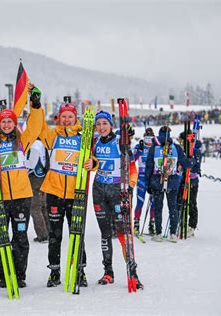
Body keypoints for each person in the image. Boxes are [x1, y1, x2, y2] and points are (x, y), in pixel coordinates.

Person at [0, 86, 43, 289]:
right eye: (3, 121)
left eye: (10, 121)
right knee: (0, 237)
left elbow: (35, 125)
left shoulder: (23, 140)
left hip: (22, 197)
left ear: (14, 124)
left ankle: (19, 274)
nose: (6, 124)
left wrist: (35, 104)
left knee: (20, 237)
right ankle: (1, 275)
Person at [38, 96, 96, 288]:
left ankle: (80, 270)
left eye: (70, 117)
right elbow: (37, 124)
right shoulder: (52, 136)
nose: (67, 120)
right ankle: (54, 272)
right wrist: (36, 105)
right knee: (55, 235)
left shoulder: (83, 137)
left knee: (76, 233)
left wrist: (92, 163)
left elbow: (93, 160)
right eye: (64, 116)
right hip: (54, 192)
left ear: (75, 118)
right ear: (59, 118)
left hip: (75, 193)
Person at [91, 111, 143, 289]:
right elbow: (91, 164)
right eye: (98, 124)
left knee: (123, 234)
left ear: (111, 125)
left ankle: (132, 272)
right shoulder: (95, 142)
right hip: (98, 190)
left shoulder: (120, 142)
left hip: (117, 190)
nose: (101, 127)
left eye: (105, 123)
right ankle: (108, 272)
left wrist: (131, 186)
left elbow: (132, 168)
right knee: (105, 234)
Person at [145, 126, 189, 242]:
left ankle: (158, 233)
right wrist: (192, 162)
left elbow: (148, 167)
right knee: (173, 208)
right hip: (172, 182)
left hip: (157, 181)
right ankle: (173, 234)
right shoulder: (176, 148)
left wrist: (147, 183)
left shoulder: (154, 148)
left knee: (158, 208)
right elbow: (185, 163)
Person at [132, 127, 159, 237]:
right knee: (140, 202)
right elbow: (132, 159)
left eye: (150, 138)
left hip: (153, 178)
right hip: (142, 178)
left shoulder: (156, 146)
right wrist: (138, 151)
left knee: (153, 203)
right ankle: (136, 223)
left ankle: (151, 224)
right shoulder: (140, 146)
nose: (148, 141)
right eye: (146, 138)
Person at [177, 132, 202, 237]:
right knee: (180, 202)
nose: (180, 142)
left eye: (181, 140)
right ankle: (181, 224)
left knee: (191, 203)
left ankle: (192, 226)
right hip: (181, 180)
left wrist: (188, 163)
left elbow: (195, 166)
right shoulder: (180, 151)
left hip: (192, 180)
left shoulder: (195, 151)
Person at [25, 139, 49, 243]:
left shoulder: (34, 145)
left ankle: (43, 235)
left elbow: (31, 164)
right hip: (43, 177)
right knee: (43, 207)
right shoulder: (42, 143)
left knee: (35, 208)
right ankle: (49, 232)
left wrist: (19, 160)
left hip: (35, 178)